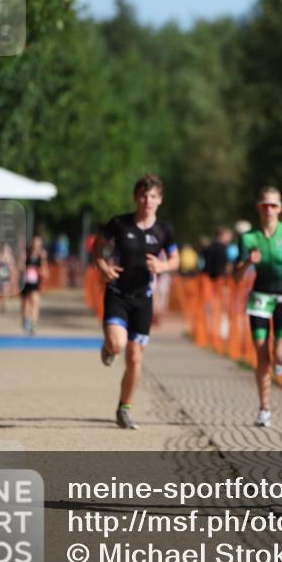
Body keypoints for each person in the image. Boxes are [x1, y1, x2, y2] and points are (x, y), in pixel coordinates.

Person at [93, 174, 179, 430]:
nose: (147, 201)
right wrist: (101, 266)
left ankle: (124, 408)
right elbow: (98, 247)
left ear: (160, 199)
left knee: (135, 358)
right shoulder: (119, 223)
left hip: (144, 299)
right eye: (143, 195)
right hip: (118, 293)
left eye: (153, 196)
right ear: (135, 197)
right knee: (118, 344)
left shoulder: (164, 229)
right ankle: (108, 348)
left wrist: (162, 265)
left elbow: (176, 260)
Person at [234, 187, 282, 428]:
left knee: (280, 355)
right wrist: (248, 262)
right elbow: (237, 278)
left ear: (281, 209)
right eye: (264, 205)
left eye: (273, 205)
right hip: (259, 299)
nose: (269, 209)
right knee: (262, 356)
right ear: (258, 208)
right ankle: (265, 408)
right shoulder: (248, 238)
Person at [20, 235, 48, 334]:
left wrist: (39, 269)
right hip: (25, 282)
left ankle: (33, 324)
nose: (36, 245)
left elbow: (45, 272)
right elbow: (20, 267)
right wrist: (27, 268)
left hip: (36, 283)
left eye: (39, 243)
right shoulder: (26, 254)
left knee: (35, 303)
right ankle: (26, 320)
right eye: (35, 243)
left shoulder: (42, 256)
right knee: (26, 304)